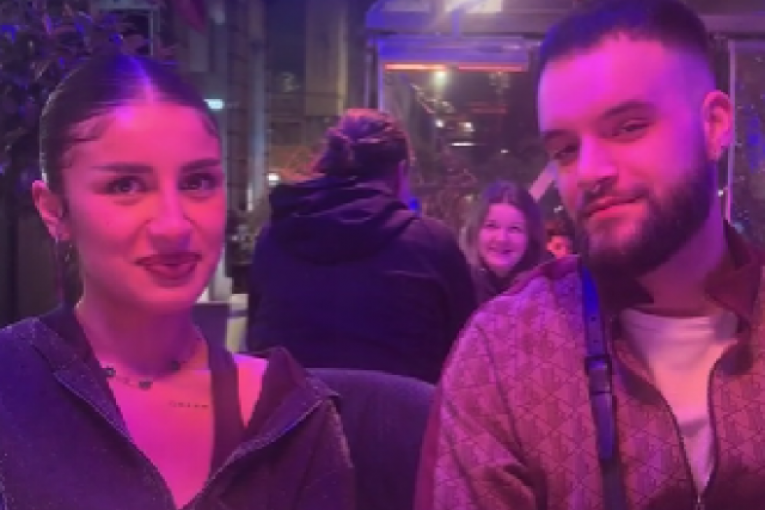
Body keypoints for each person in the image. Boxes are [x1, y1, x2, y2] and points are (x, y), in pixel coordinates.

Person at [416, 0, 765, 508]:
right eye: (565, 150)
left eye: (628, 127)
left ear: (713, 125)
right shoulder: (505, 352)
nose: (590, 171)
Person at [0, 54, 353, 510]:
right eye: (126, 186)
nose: (173, 225)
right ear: (54, 211)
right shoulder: (12, 387)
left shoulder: (292, 414)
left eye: (198, 182)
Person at [247, 109, 476, 384]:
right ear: (400, 173)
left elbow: (255, 345)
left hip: (288, 410)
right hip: (402, 412)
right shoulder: (433, 245)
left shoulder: (274, 237)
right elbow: (467, 359)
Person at [460, 181, 546, 305]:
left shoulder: (546, 295)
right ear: (475, 231)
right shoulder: (457, 288)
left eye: (514, 229)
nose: (502, 239)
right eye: (491, 226)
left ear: (531, 237)